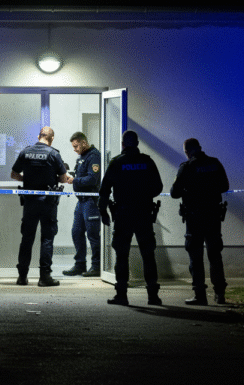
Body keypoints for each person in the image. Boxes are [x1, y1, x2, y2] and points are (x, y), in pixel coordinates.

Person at [98, 130, 163, 306]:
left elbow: (104, 190)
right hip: (143, 213)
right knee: (148, 254)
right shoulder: (147, 162)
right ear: (137, 143)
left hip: (123, 214)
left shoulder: (117, 163)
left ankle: (121, 294)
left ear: (123, 144)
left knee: (121, 254)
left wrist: (103, 211)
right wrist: (142, 194)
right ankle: (153, 296)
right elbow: (158, 187)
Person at [170, 138, 230, 305]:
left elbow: (174, 192)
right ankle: (220, 294)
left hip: (195, 217)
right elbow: (225, 186)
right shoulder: (215, 163)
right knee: (215, 254)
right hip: (212, 215)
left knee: (195, 256)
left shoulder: (187, 167)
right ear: (200, 148)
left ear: (187, 152)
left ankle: (200, 295)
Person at [11, 126, 70, 286]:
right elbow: (64, 179)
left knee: (27, 238)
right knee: (47, 239)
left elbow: (14, 174)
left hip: (30, 202)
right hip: (48, 203)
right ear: (51, 139)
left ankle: (22, 276)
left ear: (39, 136)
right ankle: (44, 277)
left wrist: (28, 180)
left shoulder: (25, 152)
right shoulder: (53, 153)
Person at [62, 132, 102, 277]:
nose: (75, 149)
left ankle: (97, 266)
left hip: (91, 201)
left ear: (84, 142)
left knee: (93, 235)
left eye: (76, 146)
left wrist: (75, 181)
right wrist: (71, 176)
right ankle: (80, 265)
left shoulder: (94, 156)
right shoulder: (82, 157)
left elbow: (92, 179)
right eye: (73, 147)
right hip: (81, 201)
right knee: (76, 232)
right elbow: (81, 175)